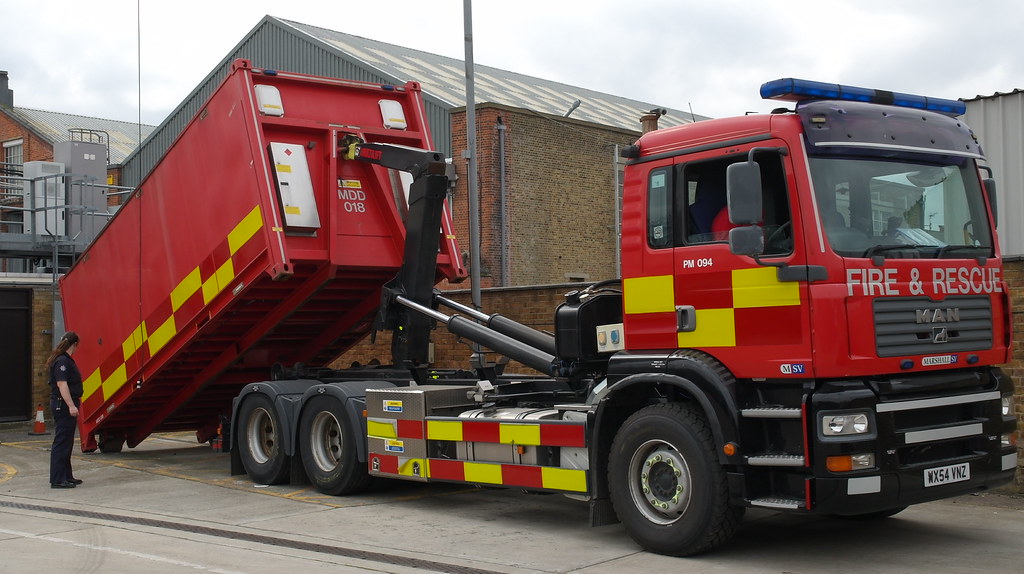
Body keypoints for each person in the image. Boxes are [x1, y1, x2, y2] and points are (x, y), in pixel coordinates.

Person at [47, 331, 82, 489]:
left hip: (65, 404)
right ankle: (57, 478)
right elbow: (62, 385)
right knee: (62, 442)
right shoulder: (62, 361)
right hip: (63, 405)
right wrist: (71, 405)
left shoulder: (64, 360)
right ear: (74, 344)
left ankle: (66, 475)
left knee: (67, 441)